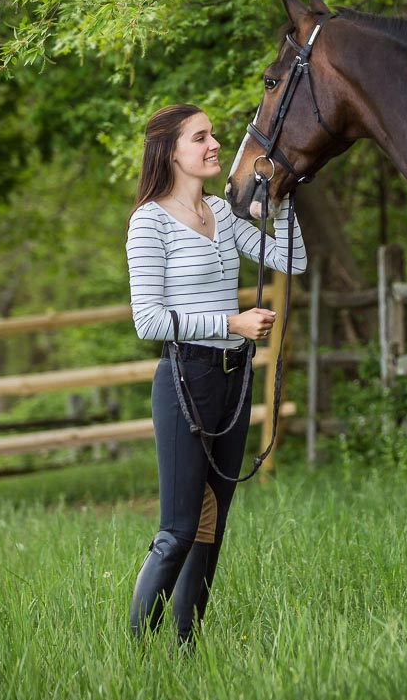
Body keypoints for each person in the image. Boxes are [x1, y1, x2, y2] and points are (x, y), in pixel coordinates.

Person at [124, 103, 307, 645]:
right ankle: (137, 651)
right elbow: (148, 320)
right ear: (170, 151)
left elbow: (291, 261)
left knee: (211, 528)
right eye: (200, 137)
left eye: (213, 136)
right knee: (179, 530)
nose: (214, 145)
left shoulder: (222, 216)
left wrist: (283, 200)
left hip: (233, 378)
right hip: (185, 378)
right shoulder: (148, 222)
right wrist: (230, 320)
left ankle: (182, 650)